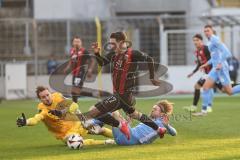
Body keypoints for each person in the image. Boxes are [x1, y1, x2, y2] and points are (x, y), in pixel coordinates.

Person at [50, 31, 166, 140]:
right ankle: (159, 128)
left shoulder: (132, 54)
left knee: (93, 112)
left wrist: (152, 77)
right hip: (121, 95)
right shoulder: (113, 55)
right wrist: (96, 53)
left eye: (113, 43)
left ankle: (120, 125)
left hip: (123, 95)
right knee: (135, 114)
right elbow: (101, 62)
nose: (111, 45)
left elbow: (149, 59)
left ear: (121, 42)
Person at [16, 86, 114, 146]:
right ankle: (106, 142)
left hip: (77, 124)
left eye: (47, 95)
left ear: (50, 93)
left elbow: (74, 105)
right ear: (40, 99)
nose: (46, 98)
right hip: (65, 134)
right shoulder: (43, 110)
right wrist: (26, 122)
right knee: (76, 142)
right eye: (43, 97)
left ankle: (119, 139)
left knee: (100, 130)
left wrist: (63, 112)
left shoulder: (58, 97)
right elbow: (36, 119)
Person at [198, 25, 240, 116]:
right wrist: (205, 64)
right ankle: (204, 111)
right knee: (205, 87)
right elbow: (214, 57)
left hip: (221, 68)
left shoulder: (215, 39)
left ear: (212, 31)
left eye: (208, 30)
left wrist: (220, 63)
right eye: (205, 31)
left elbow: (227, 53)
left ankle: (204, 111)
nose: (206, 32)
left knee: (229, 92)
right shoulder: (210, 42)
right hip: (215, 68)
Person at [184, 34, 222, 113]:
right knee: (200, 86)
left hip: (213, 72)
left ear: (201, 41)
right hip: (207, 73)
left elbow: (213, 59)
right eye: (194, 40)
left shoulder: (206, 49)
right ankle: (199, 107)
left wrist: (216, 67)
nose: (195, 42)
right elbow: (199, 64)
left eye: (197, 40)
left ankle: (204, 107)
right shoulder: (197, 52)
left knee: (225, 89)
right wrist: (192, 73)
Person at [111, 100, 177, 145]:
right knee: (111, 112)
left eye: (155, 109)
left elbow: (174, 133)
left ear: (162, 114)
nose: (152, 110)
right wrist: (128, 123)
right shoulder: (149, 120)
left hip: (131, 140)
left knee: (114, 111)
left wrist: (167, 125)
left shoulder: (162, 124)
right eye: (152, 109)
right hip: (121, 138)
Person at [64, 36, 95, 103]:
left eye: (78, 42)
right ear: (73, 43)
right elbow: (71, 60)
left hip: (81, 73)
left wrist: (90, 70)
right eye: (75, 41)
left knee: (74, 90)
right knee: (74, 91)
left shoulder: (84, 51)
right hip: (74, 74)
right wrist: (68, 67)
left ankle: (91, 94)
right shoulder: (72, 50)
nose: (76, 43)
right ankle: (75, 105)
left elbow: (92, 60)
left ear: (81, 43)